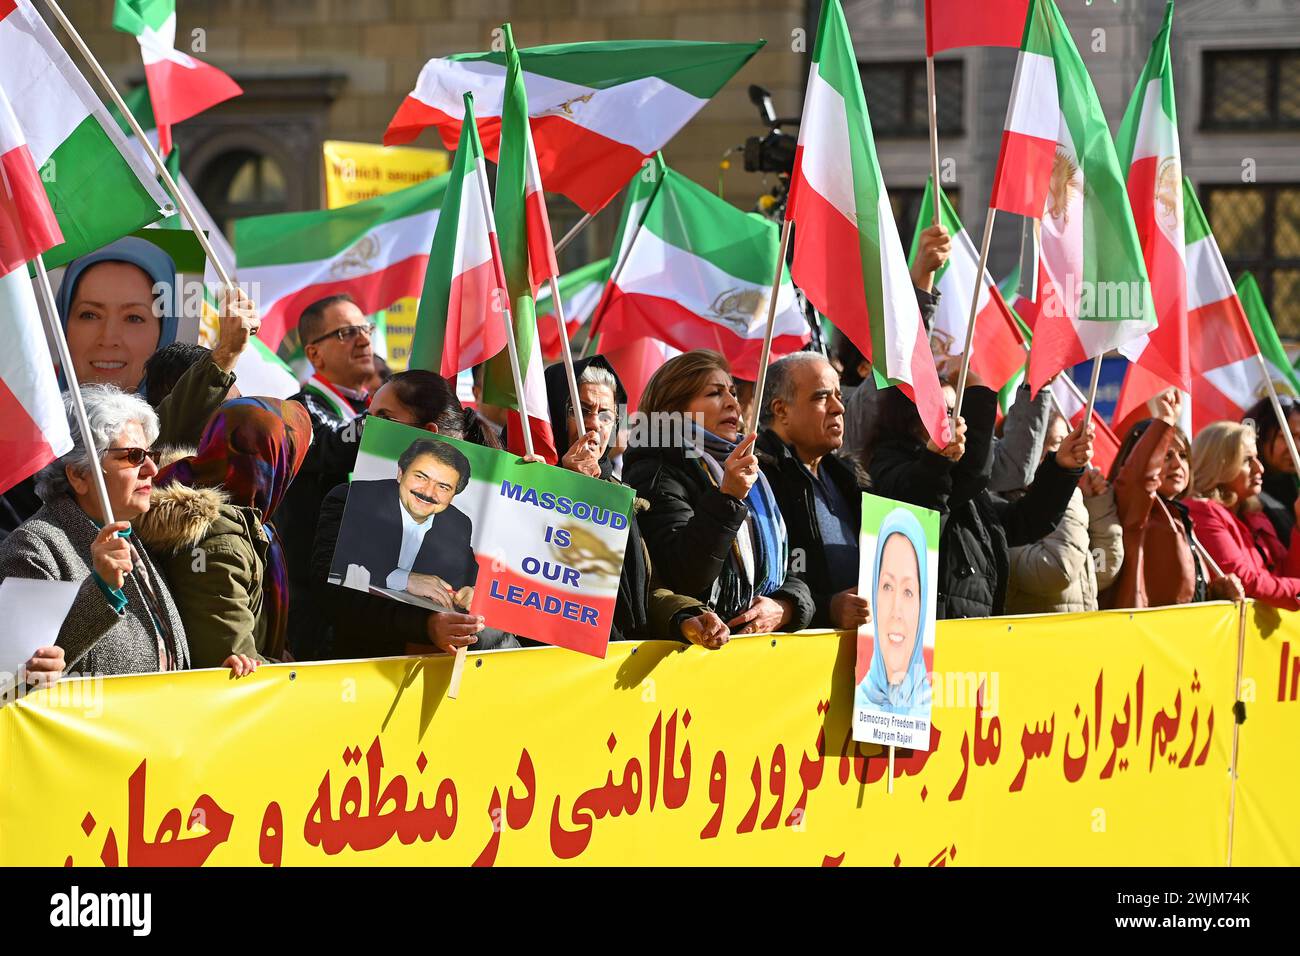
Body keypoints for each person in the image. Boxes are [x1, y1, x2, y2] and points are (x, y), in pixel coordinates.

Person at [312, 369, 518, 658]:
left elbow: (511, 594)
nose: (366, 428)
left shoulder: (463, 520)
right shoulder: (348, 501)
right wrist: (424, 622)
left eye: (383, 418)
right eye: (368, 416)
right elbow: (334, 596)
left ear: (428, 433)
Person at [0, 386, 192, 675]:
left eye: (150, 454)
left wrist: (221, 669)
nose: (152, 468)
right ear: (78, 474)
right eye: (133, 456)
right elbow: (15, 680)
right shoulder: (32, 549)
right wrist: (101, 588)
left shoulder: (132, 536)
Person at [623, 350, 815, 635]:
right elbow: (686, 575)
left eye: (733, 392)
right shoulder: (656, 471)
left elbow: (796, 565)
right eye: (715, 393)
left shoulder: (754, 473)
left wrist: (785, 606)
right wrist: (727, 498)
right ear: (675, 409)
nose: (733, 403)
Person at [546, 355, 730, 648]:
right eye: (579, 411)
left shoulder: (617, 491)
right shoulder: (522, 481)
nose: (593, 425)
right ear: (552, 413)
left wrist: (684, 617)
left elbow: (644, 591)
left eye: (605, 415)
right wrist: (565, 488)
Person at [869, 380, 1087, 619]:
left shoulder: (962, 487)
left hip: (974, 637)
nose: (957, 420)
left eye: (959, 411)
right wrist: (937, 460)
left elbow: (1024, 521)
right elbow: (930, 502)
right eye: (946, 411)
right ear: (910, 417)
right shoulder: (889, 466)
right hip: (921, 638)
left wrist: (1061, 468)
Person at [133, 397, 312, 667]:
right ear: (276, 460)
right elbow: (228, 657)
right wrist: (287, 670)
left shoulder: (242, 518)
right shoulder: (220, 540)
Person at [278, 293, 376, 658]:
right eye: (346, 333)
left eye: (366, 329)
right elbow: (332, 446)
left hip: (372, 594)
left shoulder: (368, 406)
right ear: (314, 354)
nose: (364, 340)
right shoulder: (298, 410)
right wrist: (392, 418)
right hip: (320, 606)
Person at [755, 352, 872, 631]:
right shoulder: (755, 480)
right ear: (781, 410)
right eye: (821, 397)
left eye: (839, 397)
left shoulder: (850, 479)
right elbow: (761, 584)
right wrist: (826, 608)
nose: (838, 408)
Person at [1102, 390, 1241, 608]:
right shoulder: (1133, 505)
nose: (1177, 464)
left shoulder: (1179, 513)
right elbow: (1139, 478)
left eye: (1183, 455)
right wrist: (1165, 420)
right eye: (1166, 456)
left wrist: (1213, 593)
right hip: (1144, 635)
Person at [1006, 412, 1124, 614]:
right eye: (1052, 443)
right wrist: (1064, 488)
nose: (1063, 452)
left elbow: (1103, 569)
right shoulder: (1003, 507)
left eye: (1063, 442)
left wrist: (1096, 504)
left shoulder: (1076, 508)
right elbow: (1056, 571)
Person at [330, 438, 478, 594]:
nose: (428, 492)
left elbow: (467, 575)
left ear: (453, 495)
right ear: (401, 473)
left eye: (443, 487)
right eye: (421, 477)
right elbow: (334, 560)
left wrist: (471, 591)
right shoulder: (355, 497)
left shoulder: (459, 524)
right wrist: (404, 580)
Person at [1186, 419, 1300, 610]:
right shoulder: (1201, 512)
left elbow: (1286, 575)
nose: (1259, 468)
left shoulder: (1254, 514)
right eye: (1247, 460)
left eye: (1257, 458)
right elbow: (1245, 582)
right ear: (1219, 465)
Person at [855, 508, 929, 716]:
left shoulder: (938, 708)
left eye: (908, 591)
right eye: (887, 586)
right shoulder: (858, 702)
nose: (896, 611)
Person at [1242, 395, 1300, 543]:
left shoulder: (1294, 486)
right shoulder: (1246, 496)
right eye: (1285, 436)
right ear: (1259, 438)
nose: (1296, 447)